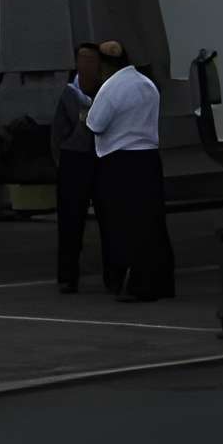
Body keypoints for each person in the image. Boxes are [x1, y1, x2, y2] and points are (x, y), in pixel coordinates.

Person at [83, 37, 174, 302]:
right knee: (153, 222)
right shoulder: (146, 84)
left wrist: (84, 115)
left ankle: (137, 284)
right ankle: (162, 281)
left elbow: (95, 124)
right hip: (148, 157)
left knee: (126, 224)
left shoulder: (111, 88)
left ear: (104, 65)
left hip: (119, 160)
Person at [53, 41, 107, 293]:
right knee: (71, 220)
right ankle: (67, 275)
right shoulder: (69, 93)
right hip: (74, 158)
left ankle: (113, 274)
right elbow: (57, 135)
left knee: (109, 217)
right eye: (82, 59)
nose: (86, 64)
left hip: (102, 156)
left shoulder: (106, 91)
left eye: (91, 59)